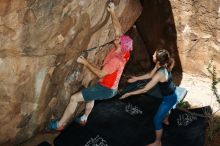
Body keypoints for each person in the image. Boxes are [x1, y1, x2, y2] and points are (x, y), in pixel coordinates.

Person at [48, 2, 133, 131]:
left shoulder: (116, 60)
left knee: (74, 98)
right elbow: (118, 29)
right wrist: (112, 12)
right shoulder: (125, 51)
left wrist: (85, 62)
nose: (116, 38)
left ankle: (60, 125)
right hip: (110, 87)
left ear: (122, 45)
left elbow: (100, 74)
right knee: (91, 96)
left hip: (106, 89)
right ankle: (84, 119)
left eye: (118, 40)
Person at [120, 49, 176, 146]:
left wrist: (128, 94)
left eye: (154, 55)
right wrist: (136, 78)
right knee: (166, 110)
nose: (152, 55)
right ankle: (166, 119)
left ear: (158, 60)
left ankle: (158, 142)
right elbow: (150, 74)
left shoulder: (160, 74)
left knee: (156, 120)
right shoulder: (162, 64)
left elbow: (145, 89)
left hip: (169, 99)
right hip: (171, 95)